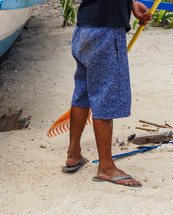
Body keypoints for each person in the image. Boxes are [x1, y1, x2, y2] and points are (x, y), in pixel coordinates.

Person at [61, 0, 152, 187]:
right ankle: (106, 167)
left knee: (83, 92)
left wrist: (131, 3)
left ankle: (74, 154)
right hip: (105, 33)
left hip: (84, 30)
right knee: (106, 96)